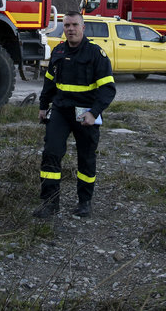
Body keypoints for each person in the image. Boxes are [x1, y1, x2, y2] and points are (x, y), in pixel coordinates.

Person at [35, 11, 116, 218]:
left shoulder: (96, 54)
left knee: (86, 158)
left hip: (85, 113)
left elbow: (108, 89)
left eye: (74, 25)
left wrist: (94, 113)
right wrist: (43, 106)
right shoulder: (58, 51)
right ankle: (50, 203)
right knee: (51, 153)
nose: (70, 29)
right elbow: (49, 82)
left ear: (83, 28)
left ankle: (84, 203)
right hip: (61, 110)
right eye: (67, 25)